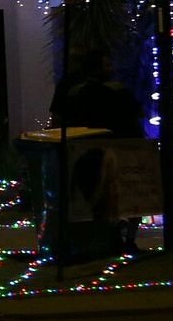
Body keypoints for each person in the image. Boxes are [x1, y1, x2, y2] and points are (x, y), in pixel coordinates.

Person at [51, 48, 146, 253]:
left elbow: (58, 117)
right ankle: (124, 238)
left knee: (96, 198)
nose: (112, 68)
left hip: (86, 149)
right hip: (115, 148)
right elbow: (137, 113)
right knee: (120, 196)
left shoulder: (72, 90)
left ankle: (103, 239)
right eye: (107, 65)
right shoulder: (115, 90)